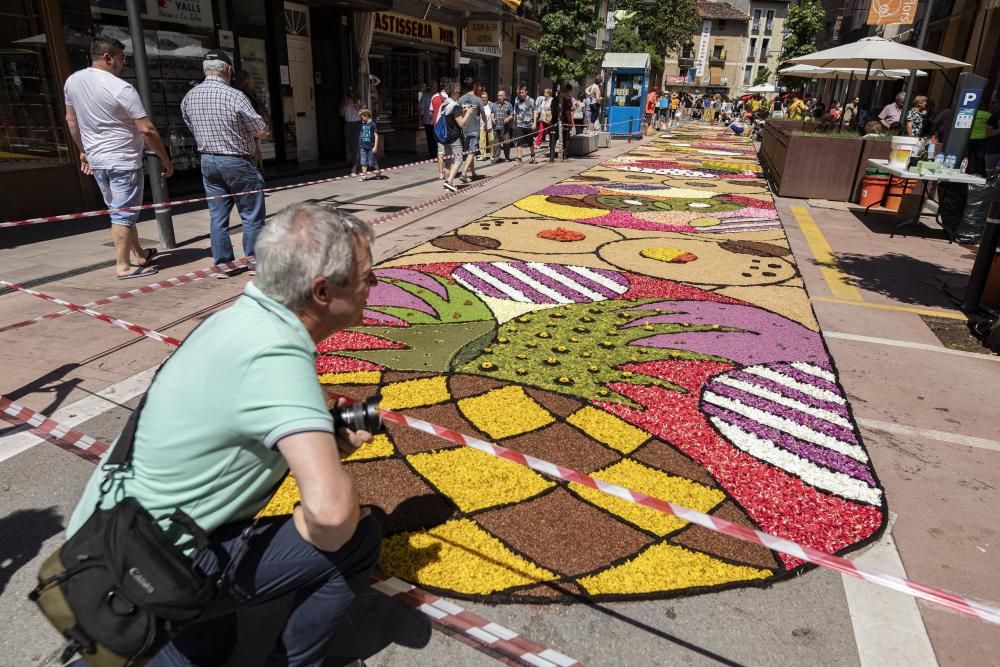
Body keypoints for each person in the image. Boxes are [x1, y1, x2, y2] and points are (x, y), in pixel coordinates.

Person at [65, 202, 381, 667]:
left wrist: (319, 435)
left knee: (214, 646)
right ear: (321, 291)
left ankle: (165, 630)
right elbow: (331, 519)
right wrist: (332, 496)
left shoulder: (239, 319)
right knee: (359, 538)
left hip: (103, 538)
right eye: (366, 276)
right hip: (141, 568)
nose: (374, 286)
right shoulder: (276, 360)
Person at [64, 37, 172, 280]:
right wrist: (164, 158)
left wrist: (84, 150)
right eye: (122, 58)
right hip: (122, 159)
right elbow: (147, 129)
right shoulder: (120, 87)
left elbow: (71, 120)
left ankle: (140, 255)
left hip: (99, 159)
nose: (124, 64)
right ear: (108, 57)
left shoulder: (72, 81)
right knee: (123, 215)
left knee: (121, 211)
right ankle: (123, 265)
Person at [181, 50, 268, 276]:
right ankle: (254, 261)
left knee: (217, 216)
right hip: (237, 160)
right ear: (229, 71)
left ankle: (222, 264)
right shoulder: (235, 96)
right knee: (251, 214)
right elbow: (259, 130)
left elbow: (190, 125)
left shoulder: (190, 97)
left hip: (208, 160)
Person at [441, 81, 476, 192]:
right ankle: (449, 181)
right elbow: (461, 123)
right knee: (459, 158)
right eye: (458, 89)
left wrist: (463, 111)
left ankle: (447, 185)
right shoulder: (454, 106)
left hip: (445, 136)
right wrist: (469, 113)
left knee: (448, 160)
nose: (460, 91)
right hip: (454, 136)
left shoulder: (445, 103)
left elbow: (451, 117)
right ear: (454, 91)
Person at [457, 78, 487, 180]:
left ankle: (473, 173)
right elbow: (483, 115)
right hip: (474, 130)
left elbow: (458, 114)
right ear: (474, 86)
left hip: (464, 130)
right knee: (471, 152)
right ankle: (464, 173)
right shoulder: (478, 100)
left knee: (470, 152)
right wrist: (485, 124)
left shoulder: (460, 99)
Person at [339, 85, 363, 175]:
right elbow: (341, 113)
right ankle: (359, 163)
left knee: (356, 145)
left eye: (352, 92)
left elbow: (363, 113)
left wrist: (356, 106)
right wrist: (345, 104)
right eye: (349, 92)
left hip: (357, 124)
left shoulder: (359, 100)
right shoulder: (345, 100)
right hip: (348, 124)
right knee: (351, 146)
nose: (351, 94)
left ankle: (355, 166)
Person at [430, 79, 450, 179]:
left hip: (437, 128)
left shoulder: (434, 97)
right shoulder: (449, 98)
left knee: (440, 151)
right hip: (447, 129)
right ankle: (447, 172)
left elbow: (431, 112)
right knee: (448, 152)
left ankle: (441, 173)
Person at [356, 108, 382, 181]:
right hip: (362, 146)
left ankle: (378, 172)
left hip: (371, 146)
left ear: (366, 115)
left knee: (372, 162)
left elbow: (376, 135)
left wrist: (375, 146)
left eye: (362, 117)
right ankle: (364, 176)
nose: (361, 119)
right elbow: (361, 134)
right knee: (363, 161)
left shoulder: (372, 124)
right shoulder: (362, 124)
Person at [513, 85, 536, 163]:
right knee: (519, 141)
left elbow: (535, 111)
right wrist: (515, 122)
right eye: (520, 92)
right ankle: (519, 158)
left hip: (529, 124)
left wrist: (535, 123)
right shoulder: (517, 100)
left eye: (523, 92)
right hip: (520, 124)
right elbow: (515, 111)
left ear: (526, 92)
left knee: (530, 141)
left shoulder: (531, 100)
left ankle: (532, 156)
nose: (521, 94)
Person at [491, 89, 514, 162]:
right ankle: (496, 157)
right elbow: (492, 113)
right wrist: (492, 118)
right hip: (496, 127)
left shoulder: (508, 104)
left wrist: (508, 119)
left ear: (504, 96)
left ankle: (507, 157)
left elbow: (512, 115)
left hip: (506, 128)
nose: (499, 97)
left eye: (501, 95)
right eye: (498, 95)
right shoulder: (494, 104)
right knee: (496, 143)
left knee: (507, 143)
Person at [419, 82, 436, 159]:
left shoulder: (438, 96)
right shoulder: (425, 96)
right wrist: (420, 120)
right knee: (430, 138)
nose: (435, 88)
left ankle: (436, 154)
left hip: (436, 121)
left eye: (436, 87)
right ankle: (432, 155)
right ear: (430, 87)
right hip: (428, 121)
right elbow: (421, 108)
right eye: (433, 86)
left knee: (436, 138)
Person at [479, 90, 494, 160]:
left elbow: (493, 114)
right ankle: (483, 155)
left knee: (491, 141)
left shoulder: (491, 105)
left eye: (485, 97)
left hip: (490, 126)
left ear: (487, 97)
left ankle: (492, 155)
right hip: (482, 126)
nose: (483, 99)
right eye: (482, 97)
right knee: (482, 141)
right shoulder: (479, 105)